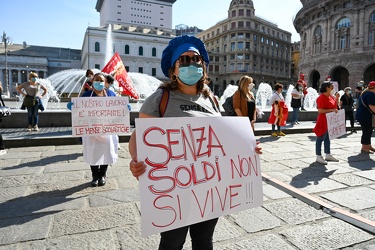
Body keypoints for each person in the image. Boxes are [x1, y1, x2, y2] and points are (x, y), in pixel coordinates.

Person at [128, 35, 262, 250]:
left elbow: (220, 137)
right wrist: (136, 160)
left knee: (204, 241)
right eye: (184, 59)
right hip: (174, 192)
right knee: (172, 243)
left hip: (208, 188)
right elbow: (139, 136)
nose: (191, 63)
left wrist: (246, 149)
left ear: (203, 66)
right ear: (173, 69)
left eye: (196, 59)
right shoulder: (160, 98)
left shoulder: (211, 98)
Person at [80, 72, 118, 186]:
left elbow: (117, 109)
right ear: (92, 82)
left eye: (101, 81)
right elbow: (79, 112)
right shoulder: (86, 95)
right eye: (96, 80)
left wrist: (124, 108)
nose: (99, 83)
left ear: (105, 82)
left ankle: (102, 174)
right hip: (91, 130)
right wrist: (74, 107)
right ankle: (94, 176)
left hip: (107, 129)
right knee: (93, 152)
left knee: (106, 150)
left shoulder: (111, 94)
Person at [313, 81, 340, 164]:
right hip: (323, 120)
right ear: (327, 88)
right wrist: (332, 110)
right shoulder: (321, 98)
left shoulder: (331, 97)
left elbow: (335, 107)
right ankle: (318, 155)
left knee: (328, 137)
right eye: (331, 87)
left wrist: (337, 99)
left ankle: (328, 154)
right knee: (320, 137)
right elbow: (320, 110)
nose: (333, 88)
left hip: (330, 120)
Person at [355, 81, 375, 153]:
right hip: (366, 116)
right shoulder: (371, 94)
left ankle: (368, 145)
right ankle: (364, 147)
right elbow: (371, 106)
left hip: (362, 115)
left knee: (368, 131)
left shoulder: (365, 93)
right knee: (367, 131)